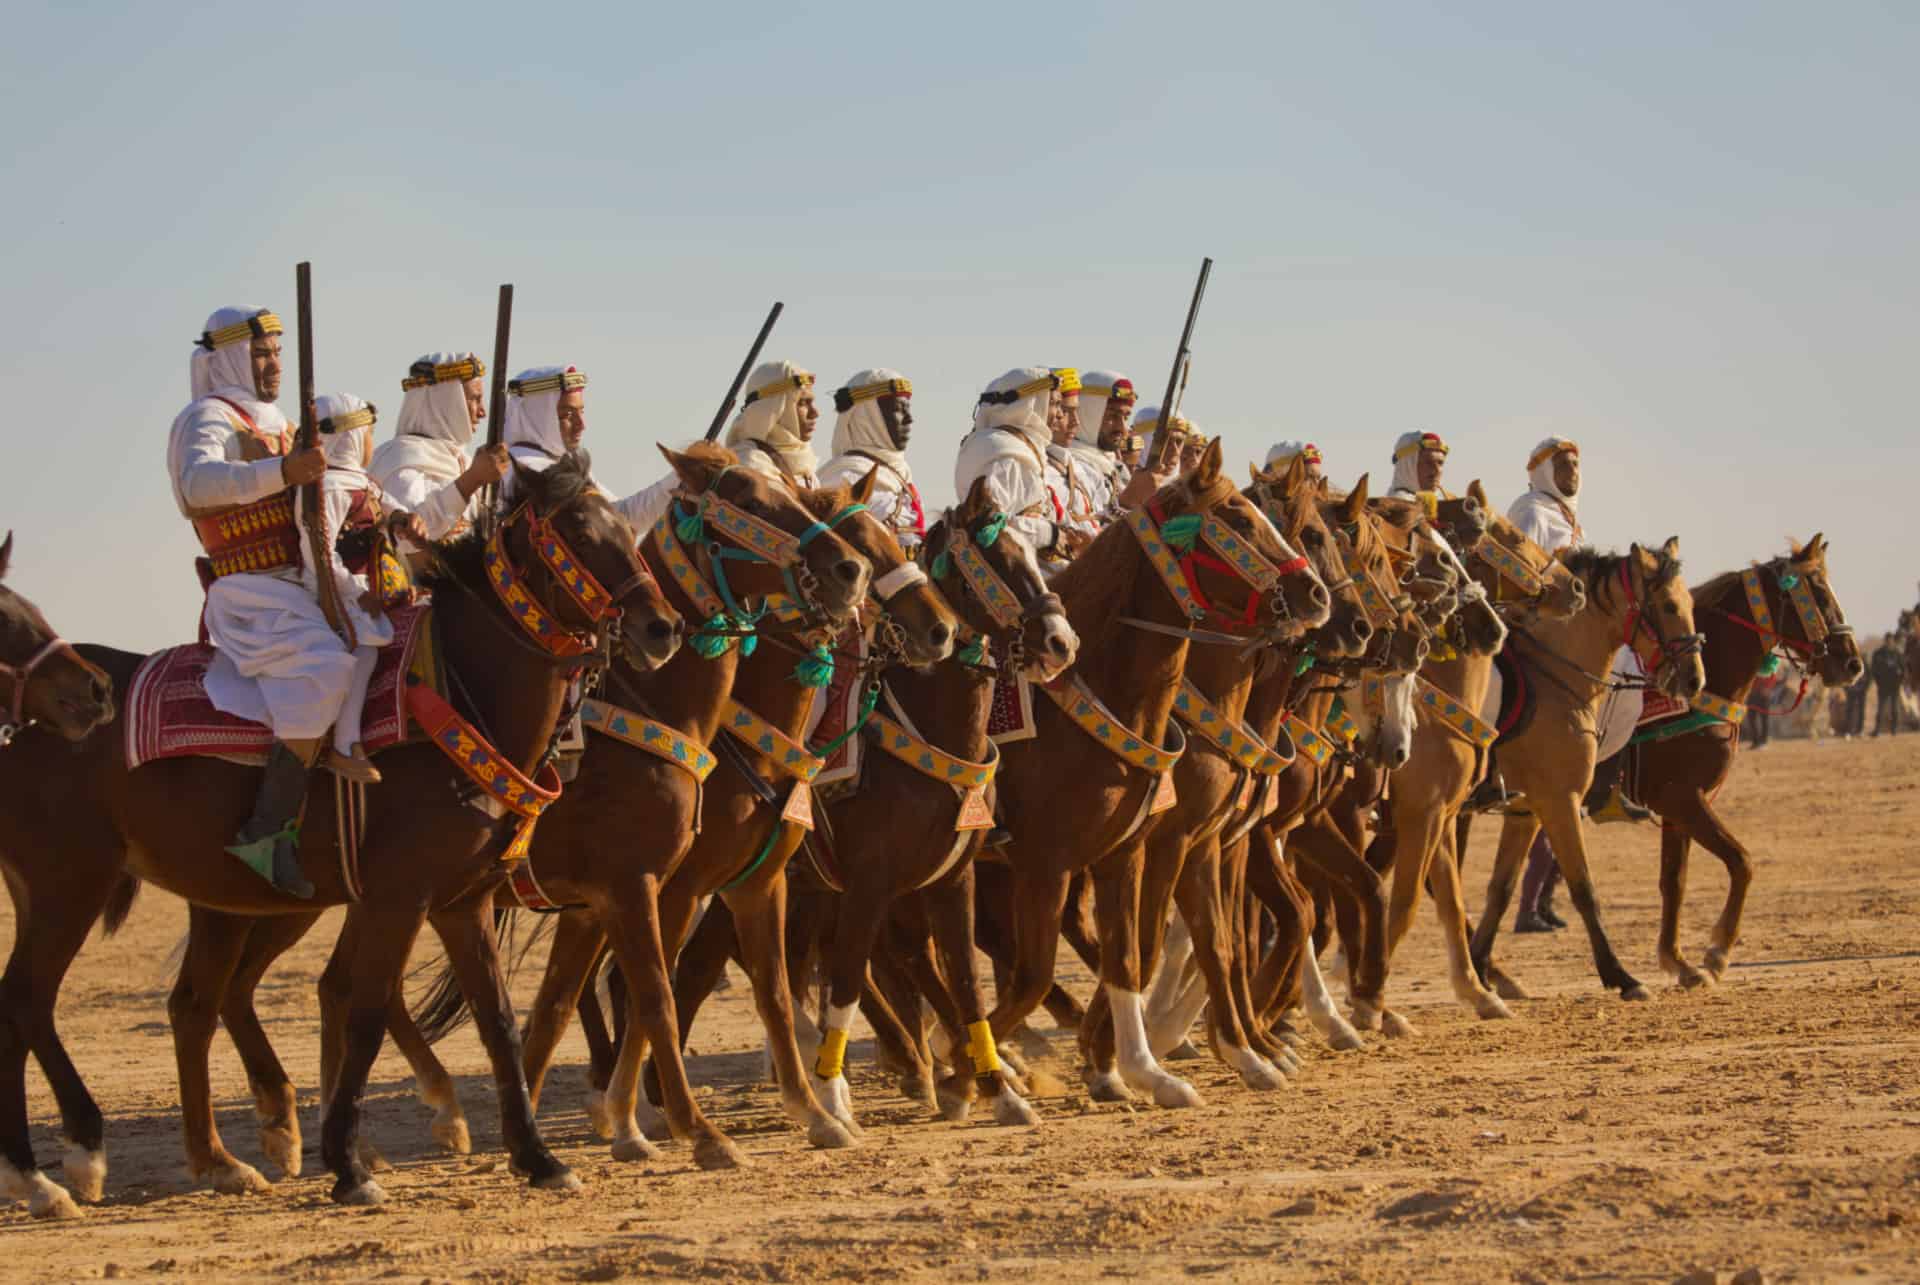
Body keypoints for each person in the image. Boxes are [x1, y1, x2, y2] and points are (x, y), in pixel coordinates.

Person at [168, 306, 339, 897]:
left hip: (301, 584)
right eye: (261, 354)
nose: (273, 365)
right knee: (327, 667)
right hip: (249, 589)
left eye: (277, 353)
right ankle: (266, 829)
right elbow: (198, 486)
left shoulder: (281, 421)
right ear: (233, 357)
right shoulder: (207, 416)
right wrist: (285, 470)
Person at [303, 393, 428, 784]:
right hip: (336, 587)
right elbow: (318, 551)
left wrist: (405, 519)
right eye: (367, 432)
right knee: (364, 649)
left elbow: (385, 505)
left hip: (364, 583)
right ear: (351, 436)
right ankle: (344, 743)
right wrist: (355, 593)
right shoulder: (328, 489)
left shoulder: (359, 481)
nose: (372, 439)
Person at [368, 352, 509, 566]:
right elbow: (406, 539)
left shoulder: (462, 459)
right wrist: (471, 481)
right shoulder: (399, 458)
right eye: (474, 399)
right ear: (448, 402)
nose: (482, 412)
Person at [500, 364, 675, 531]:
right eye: (567, 414)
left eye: (580, 412)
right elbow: (618, 520)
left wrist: (679, 478)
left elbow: (622, 516)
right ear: (537, 416)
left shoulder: (560, 462)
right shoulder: (526, 468)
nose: (581, 425)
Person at [954, 367, 1080, 564]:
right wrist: (1050, 534)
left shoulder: (1021, 448)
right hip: (1017, 572)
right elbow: (988, 530)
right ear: (1030, 405)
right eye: (1054, 404)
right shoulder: (1004, 453)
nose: (1059, 414)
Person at [816, 369, 923, 551]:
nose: (909, 419)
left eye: (908, 409)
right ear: (866, 417)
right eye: (898, 409)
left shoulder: (899, 475)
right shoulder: (842, 479)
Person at [725, 359, 819, 490]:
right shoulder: (749, 466)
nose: (815, 413)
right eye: (803, 403)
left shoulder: (806, 467)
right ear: (774, 406)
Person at [1068, 370, 1137, 518]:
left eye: (1126, 417)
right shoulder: (1069, 466)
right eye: (1113, 416)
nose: (1122, 428)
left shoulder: (1114, 468)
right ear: (1088, 413)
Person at [1044, 368, 1101, 540]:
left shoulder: (1080, 469)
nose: (1076, 421)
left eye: (1076, 411)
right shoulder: (1032, 468)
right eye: (1066, 411)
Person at [1116, 404, 1186, 508]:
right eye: (1165, 441)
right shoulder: (1113, 481)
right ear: (1142, 439)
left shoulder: (1187, 495)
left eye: (1179, 442)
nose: (1175, 451)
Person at [1388, 431, 1450, 498]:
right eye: (1428, 462)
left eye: (1440, 463)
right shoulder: (1394, 505)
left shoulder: (1447, 499)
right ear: (1407, 466)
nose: (1437, 470)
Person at [1871, 635, 1908, 736]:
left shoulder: (1897, 653)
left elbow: (1903, 669)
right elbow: (1874, 670)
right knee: (1880, 709)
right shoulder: (1878, 653)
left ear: (1893, 641)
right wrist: (1878, 682)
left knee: (1894, 708)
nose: (1889, 642)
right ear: (1885, 641)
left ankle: (1894, 730)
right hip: (1882, 685)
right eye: (1887, 640)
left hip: (1894, 685)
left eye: (1891, 640)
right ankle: (1877, 729)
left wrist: (1900, 682)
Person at [1843, 669, 1871, 737]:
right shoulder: (1848, 660)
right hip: (1851, 689)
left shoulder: (1863, 661)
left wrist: (1865, 687)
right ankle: (1848, 731)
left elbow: (1869, 675)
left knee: (1861, 710)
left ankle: (1860, 730)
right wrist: (1846, 688)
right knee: (1849, 710)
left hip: (1861, 690)